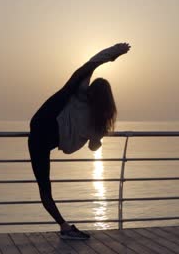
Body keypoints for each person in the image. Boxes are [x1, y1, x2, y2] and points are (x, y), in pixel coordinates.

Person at [28, 42, 131, 240]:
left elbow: (91, 64)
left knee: (75, 81)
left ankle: (64, 226)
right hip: (47, 137)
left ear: (92, 90)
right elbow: (93, 146)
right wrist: (97, 140)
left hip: (42, 124)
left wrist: (113, 53)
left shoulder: (79, 94)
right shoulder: (98, 122)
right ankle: (64, 227)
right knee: (45, 188)